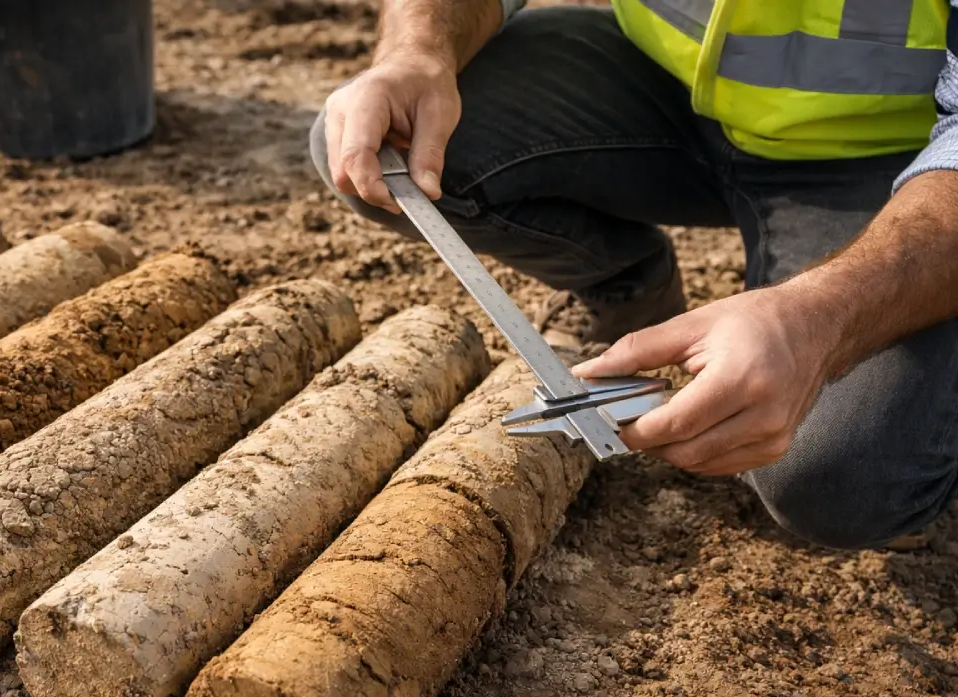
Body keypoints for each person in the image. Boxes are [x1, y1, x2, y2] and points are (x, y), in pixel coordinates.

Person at [310, 0, 958, 551]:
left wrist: (822, 317)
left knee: (839, 478)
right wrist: (416, 51)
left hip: (895, 160)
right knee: (392, 139)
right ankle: (631, 288)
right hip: (665, 87)